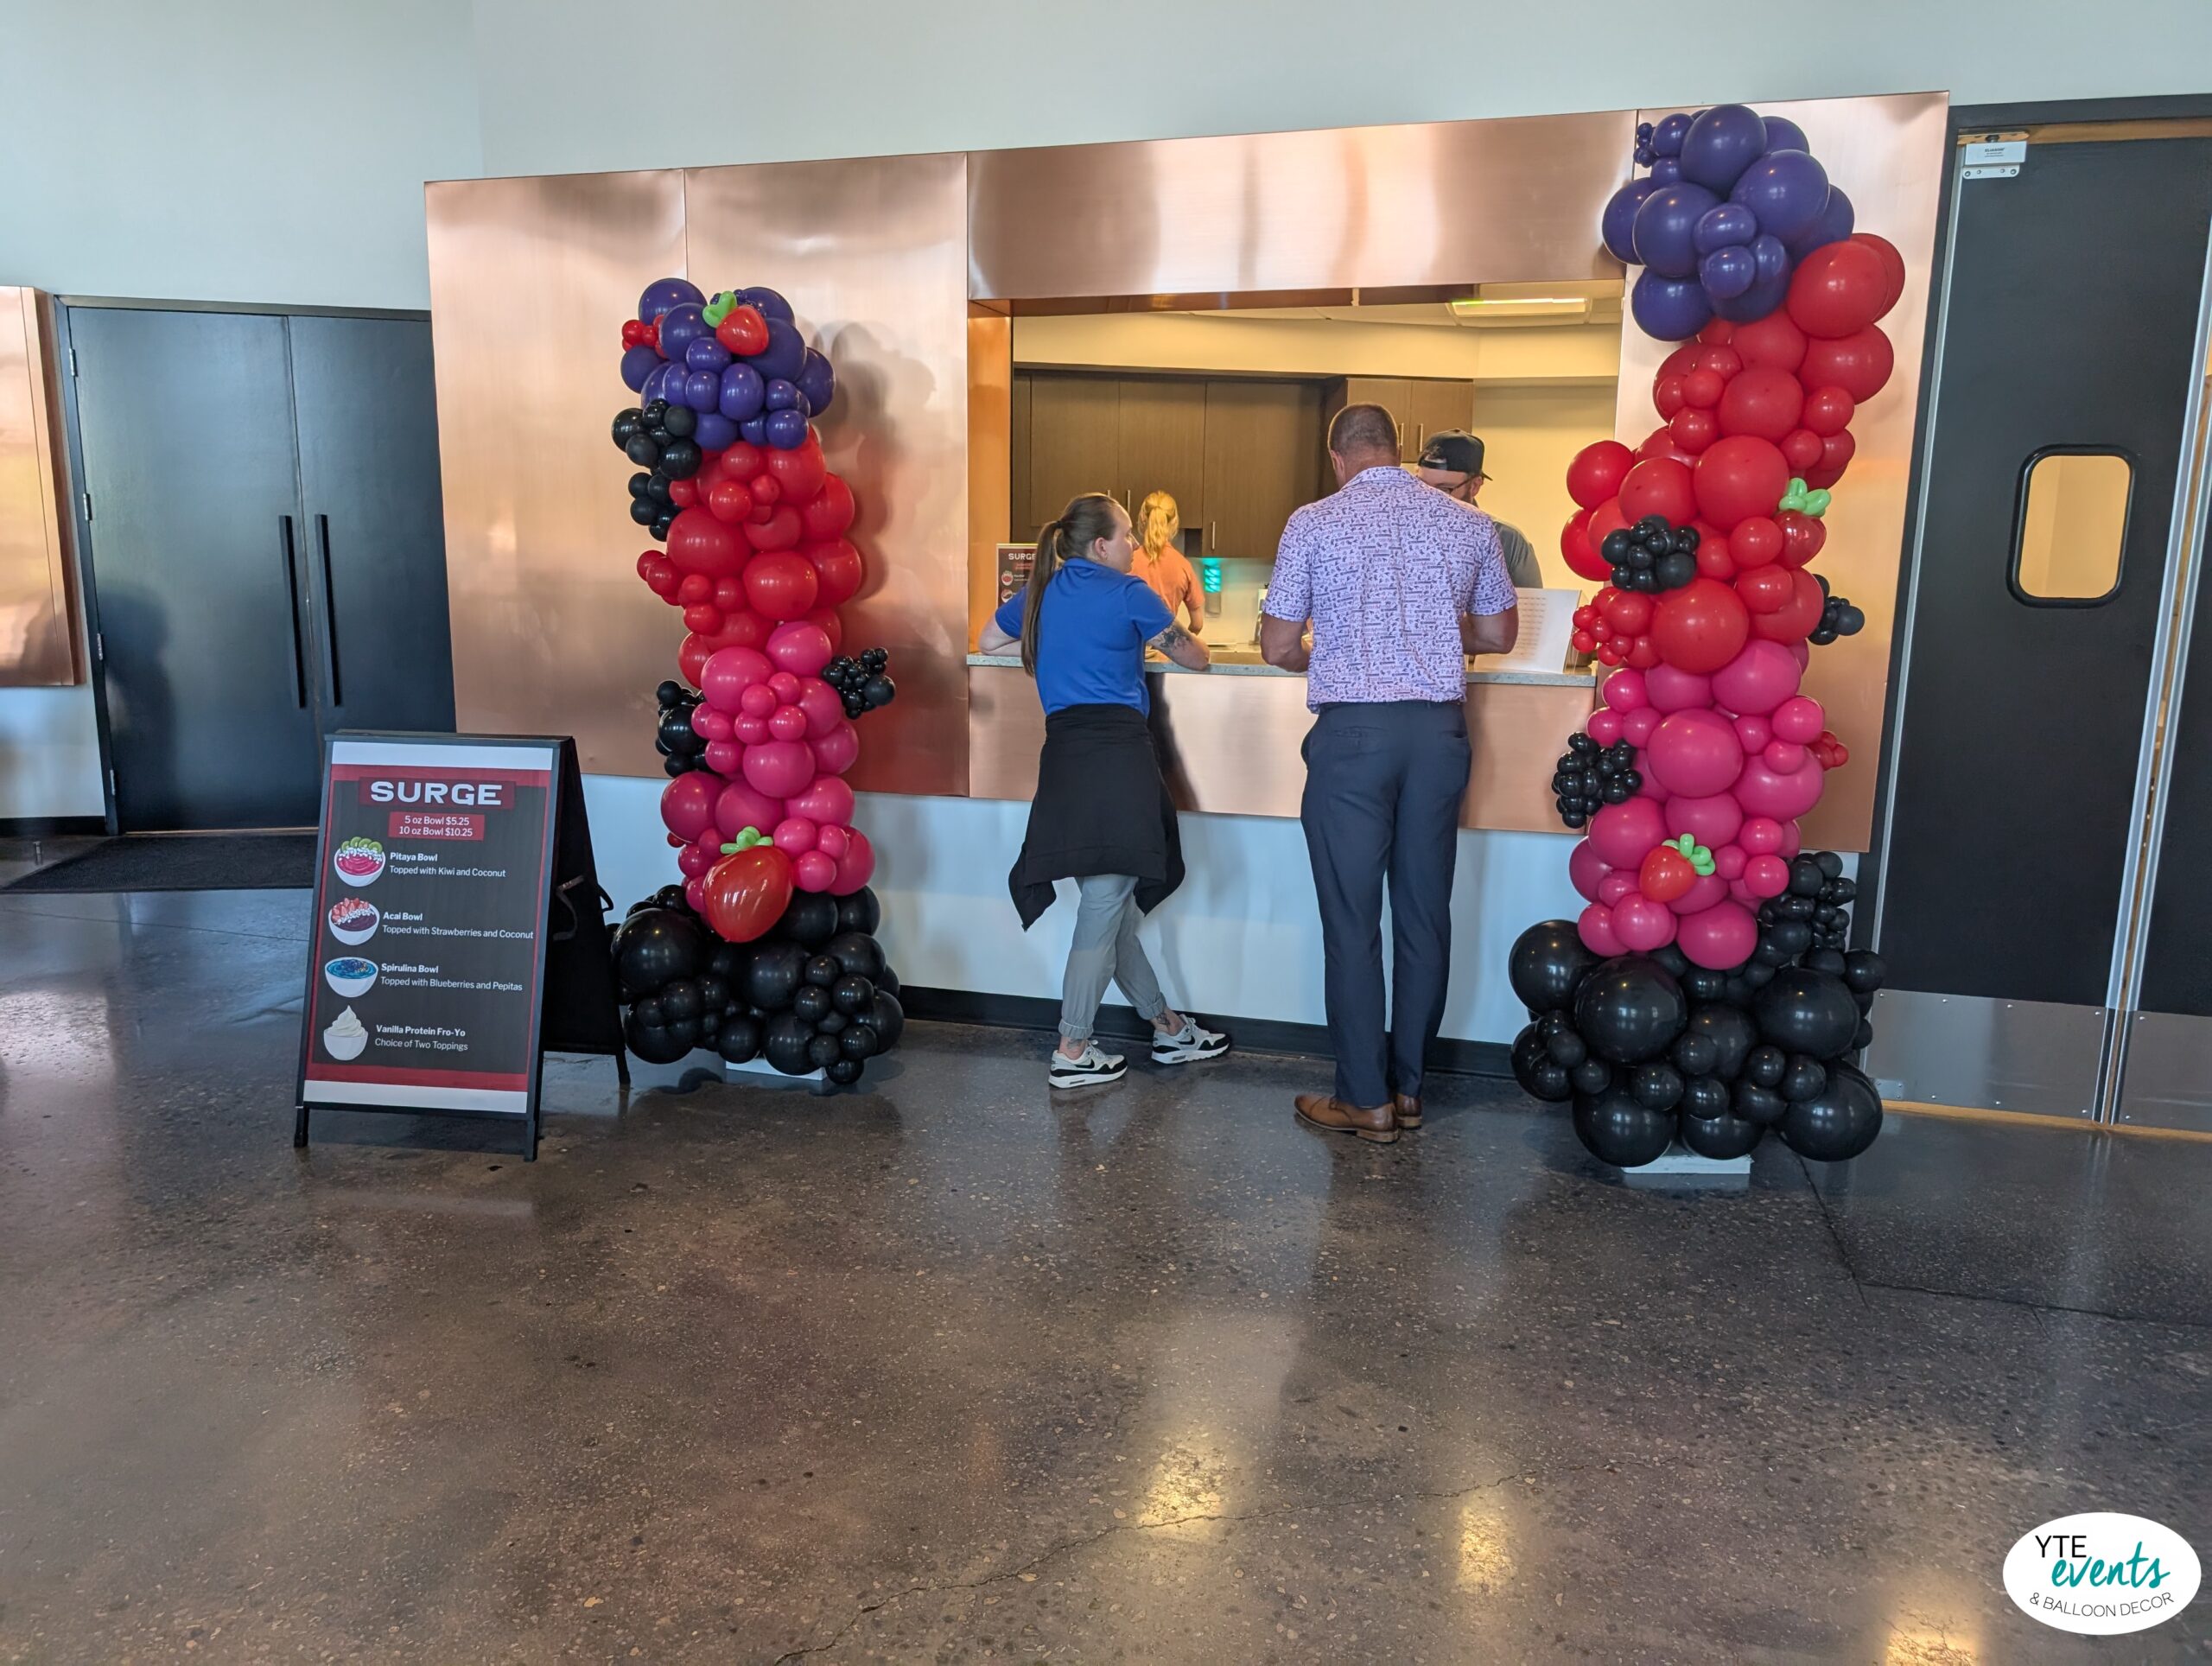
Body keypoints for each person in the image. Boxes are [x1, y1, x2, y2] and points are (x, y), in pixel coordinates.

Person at [1260, 404, 1518, 1142]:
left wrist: (1332, 648)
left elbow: (1278, 646)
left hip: (1355, 739)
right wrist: (1437, 622)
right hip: (1439, 736)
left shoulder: (1312, 521)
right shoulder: (1470, 523)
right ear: (1398, 452)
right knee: (1423, 914)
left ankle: (1363, 1099)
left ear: (1337, 457)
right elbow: (1500, 633)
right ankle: (1409, 1090)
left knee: (1351, 921)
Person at [979, 491, 1233, 1089]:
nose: (1134, 545)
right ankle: (1072, 1047)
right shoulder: (1129, 594)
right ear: (1101, 545)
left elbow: (989, 641)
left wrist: (1064, 648)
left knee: (1109, 903)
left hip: (1065, 755)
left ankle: (1167, 1029)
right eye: (1125, 536)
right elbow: (1195, 657)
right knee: (1104, 904)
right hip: (1118, 756)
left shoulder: (1040, 595)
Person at [1414, 430, 1541, 590]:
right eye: (1421, 487)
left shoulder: (1507, 540)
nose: (1429, 500)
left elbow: (1530, 609)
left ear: (1474, 486)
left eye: (1443, 490)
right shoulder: (1401, 532)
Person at [1131, 491, 1208, 634]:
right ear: (1174, 522)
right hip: (1163, 654)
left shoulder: (1127, 562)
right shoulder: (1182, 565)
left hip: (1130, 652)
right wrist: (1177, 644)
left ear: (1142, 519)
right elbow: (1197, 624)